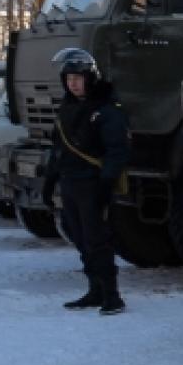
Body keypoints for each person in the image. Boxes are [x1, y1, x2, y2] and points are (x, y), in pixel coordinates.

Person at [43, 48, 128, 314]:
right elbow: (58, 149)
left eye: (78, 78)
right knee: (77, 235)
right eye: (68, 79)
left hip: (92, 183)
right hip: (70, 182)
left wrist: (106, 183)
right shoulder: (68, 108)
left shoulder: (107, 109)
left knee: (96, 239)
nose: (73, 84)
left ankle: (112, 295)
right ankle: (95, 290)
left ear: (90, 77)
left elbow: (118, 150)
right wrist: (50, 179)